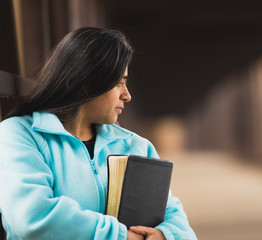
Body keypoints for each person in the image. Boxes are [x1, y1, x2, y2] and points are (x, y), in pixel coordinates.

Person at [0, 27, 197, 240]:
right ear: (86, 79)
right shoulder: (18, 134)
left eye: (126, 82)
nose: (127, 95)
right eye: (119, 82)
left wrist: (163, 235)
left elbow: (177, 221)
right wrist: (120, 236)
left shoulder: (135, 146)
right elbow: (32, 218)